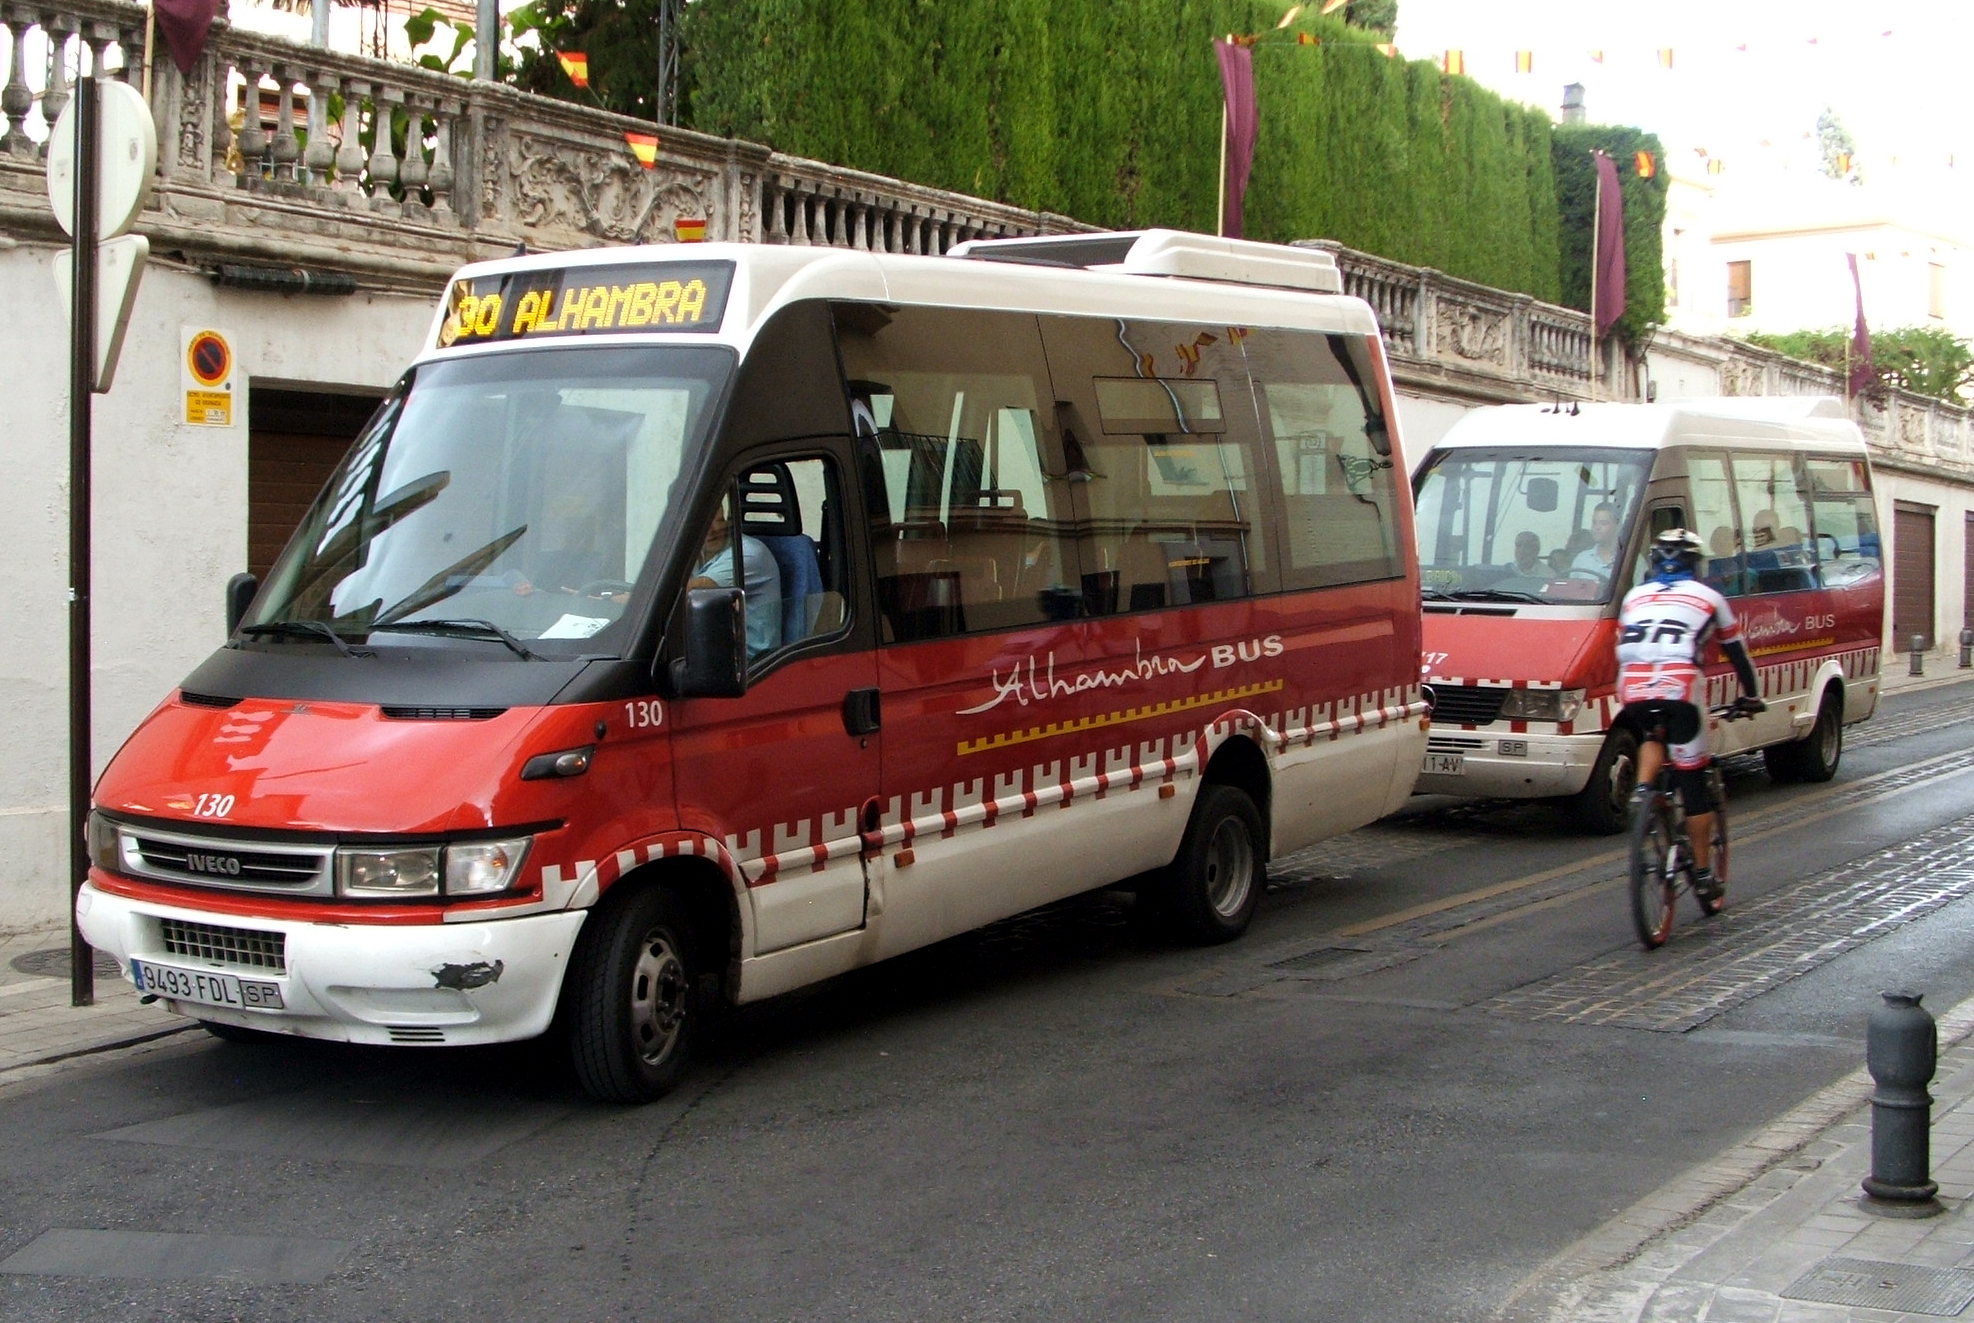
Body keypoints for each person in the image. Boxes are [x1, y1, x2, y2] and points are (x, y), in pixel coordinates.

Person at [1615, 528, 1766, 901]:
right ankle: (1701, 873)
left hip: (1631, 686)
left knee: (1653, 734)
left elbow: (1625, 642)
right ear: (1695, 564)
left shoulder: (1634, 597)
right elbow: (1737, 653)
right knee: (1692, 780)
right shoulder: (1710, 598)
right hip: (1681, 686)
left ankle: (1644, 793)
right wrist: (1752, 696)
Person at [688, 497, 782, 659]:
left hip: (751, 665)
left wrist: (632, 600)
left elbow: (690, 592)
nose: (711, 529)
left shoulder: (748, 553)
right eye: (701, 523)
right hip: (716, 653)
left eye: (716, 520)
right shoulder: (697, 552)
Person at [1570, 501, 1623, 581]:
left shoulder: (1630, 560)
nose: (1597, 527)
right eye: (1594, 522)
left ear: (1617, 526)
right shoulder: (1581, 560)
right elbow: (1571, 591)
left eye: (1604, 523)